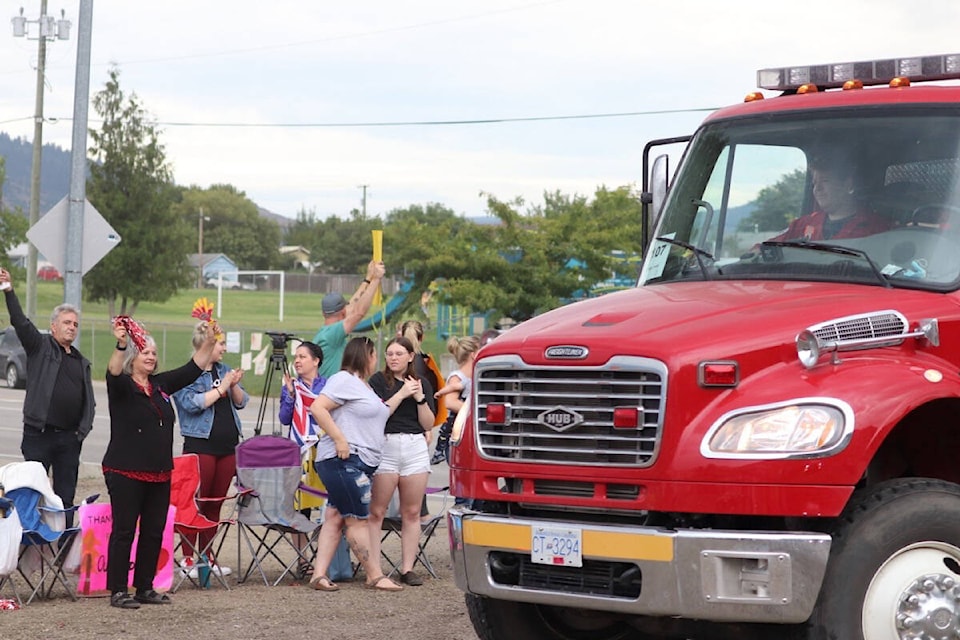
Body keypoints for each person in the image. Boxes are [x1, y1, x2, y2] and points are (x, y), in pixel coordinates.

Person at [103, 316, 220, 609]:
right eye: (146, 352)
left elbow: (193, 369)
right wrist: (120, 343)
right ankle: (118, 590)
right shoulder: (122, 387)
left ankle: (144, 586)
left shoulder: (161, 385)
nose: (152, 357)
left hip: (158, 472)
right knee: (124, 530)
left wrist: (210, 339)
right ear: (133, 356)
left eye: (154, 353)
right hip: (125, 469)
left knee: (155, 531)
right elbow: (113, 370)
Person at [0, 268, 94, 528]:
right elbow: (20, 321)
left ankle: (61, 547)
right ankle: (28, 543)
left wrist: (81, 432)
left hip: (69, 439)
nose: (72, 328)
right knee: (32, 493)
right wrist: (9, 289)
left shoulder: (81, 362)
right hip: (38, 435)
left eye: (75, 324)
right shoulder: (40, 347)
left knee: (65, 496)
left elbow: (90, 403)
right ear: (53, 326)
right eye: (67, 322)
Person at [307, 336, 401, 592]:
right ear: (365, 355)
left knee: (335, 515)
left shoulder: (364, 387)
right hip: (345, 460)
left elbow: (378, 414)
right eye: (374, 355)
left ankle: (319, 575)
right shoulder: (344, 380)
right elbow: (318, 408)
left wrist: (403, 394)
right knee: (358, 519)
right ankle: (374, 575)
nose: (377, 360)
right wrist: (340, 439)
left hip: (360, 461)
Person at [172, 321, 248, 578]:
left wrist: (234, 383)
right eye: (221, 343)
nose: (224, 348)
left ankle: (207, 556)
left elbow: (242, 402)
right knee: (195, 502)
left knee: (215, 503)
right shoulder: (187, 375)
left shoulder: (223, 370)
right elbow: (193, 404)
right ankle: (188, 558)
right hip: (200, 447)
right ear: (206, 344)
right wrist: (222, 387)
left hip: (227, 447)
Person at [367, 336, 436, 586]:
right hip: (386, 443)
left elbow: (428, 423)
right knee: (377, 511)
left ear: (410, 356)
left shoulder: (421, 383)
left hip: (414, 445)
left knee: (412, 511)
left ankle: (408, 568)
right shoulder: (378, 381)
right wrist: (401, 393)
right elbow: (377, 415)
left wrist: (418, 398)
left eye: (398, 353)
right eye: (389, 353)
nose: (393, 358)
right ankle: (374, 569)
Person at [278, 340, 327, 579]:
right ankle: (303, 559)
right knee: (300, 508)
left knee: (328, 505)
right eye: (295, 357)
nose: (297, 361)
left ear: (316, 361)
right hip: (299, 451)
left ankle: (330, 558)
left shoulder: (328, 385)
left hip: (323, 448)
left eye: (302, 356)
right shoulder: (292, 386)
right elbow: (285, 419)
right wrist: (289, 395)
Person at [768, 156, 890, 243]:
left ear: (848, 185)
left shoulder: (877, 228)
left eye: (825, 181)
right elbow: (766, 249)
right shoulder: (803, 225)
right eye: (815, 183)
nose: (817, 189)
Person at [314, 260, 386, 379]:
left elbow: (353, 306)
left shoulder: (325, 332)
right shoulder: (333, 333)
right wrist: (376, 280)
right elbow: (358, 312)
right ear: (343, 311)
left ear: (323, 313)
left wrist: (368, 278)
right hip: (332, 394)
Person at [431, 335, 481, 466]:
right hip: (456, 434)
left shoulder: (474, 377)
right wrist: (476, 412)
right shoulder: (457, 378)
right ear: (473, 354)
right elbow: (450, 402)